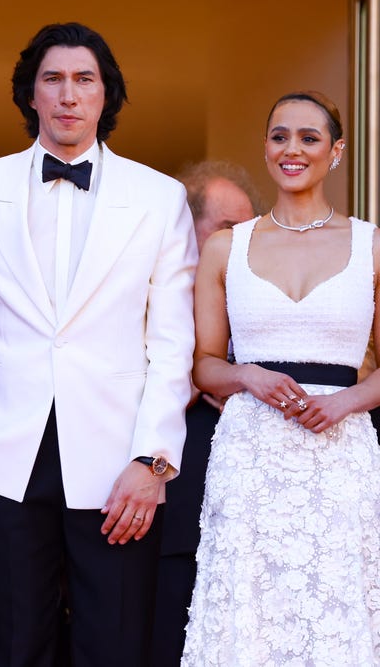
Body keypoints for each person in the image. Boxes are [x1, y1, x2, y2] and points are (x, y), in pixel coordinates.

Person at [0, 22, 197, 666]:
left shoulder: (161, 198)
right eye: (53, 79)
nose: (68, 94)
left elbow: (173, 342)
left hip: (118, 462)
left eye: (85, 80)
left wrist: (154, 460)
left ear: (106, 97)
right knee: (7, 642)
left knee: (113, 643)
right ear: (30, 96)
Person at [181, 91, 380, 664]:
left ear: (336, 152)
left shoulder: (370, 245)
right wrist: (248, 377)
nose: (292, 149)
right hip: (251, 456)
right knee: (249, 614)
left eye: (309, 138)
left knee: (336, 615)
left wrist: (346, 402)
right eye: (279, 136)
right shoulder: (226, 248)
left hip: (340, 454)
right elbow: (205, 364)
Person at [153, 160, 259, 667]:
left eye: (249, 227)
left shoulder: (258, 294)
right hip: (173, 505)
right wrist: (199, 379)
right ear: (187, 227)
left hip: (249, 504)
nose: (242, 239)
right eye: (227, 227)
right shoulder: (151, 289)